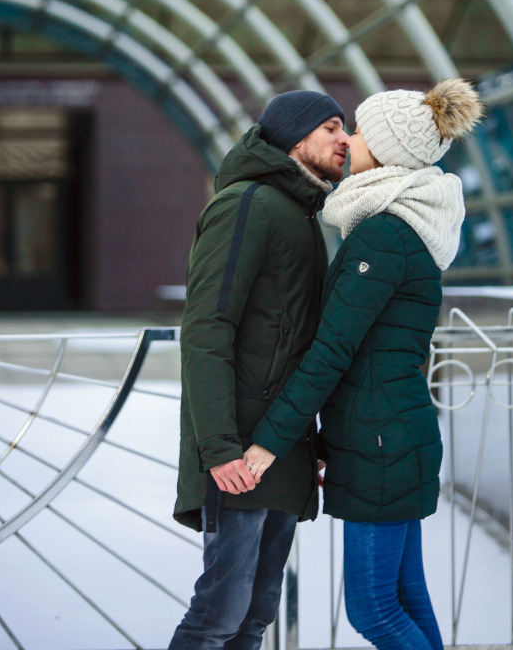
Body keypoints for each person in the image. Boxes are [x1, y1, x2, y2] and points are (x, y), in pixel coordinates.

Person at [244, 78, 483, 650]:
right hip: (392, 434)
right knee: (405, 596)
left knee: (374, 611)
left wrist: (270, 441)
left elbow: (333, 351)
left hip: (382, 442)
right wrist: (326, 440)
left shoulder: (383, 235)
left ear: (388, 148)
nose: (348, 140)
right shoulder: (405, 226)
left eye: (358, 130)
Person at [168, 90, 350, 650]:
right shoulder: (247, 203)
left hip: (282, 442)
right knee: (218, 616)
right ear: (296, 139)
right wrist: (219, 446)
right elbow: (207, 327)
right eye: (332, 128)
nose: (346, 140)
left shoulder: (299, 211)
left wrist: (308, 437)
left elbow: (289, 337)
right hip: (239, 448)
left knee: (255, 615)